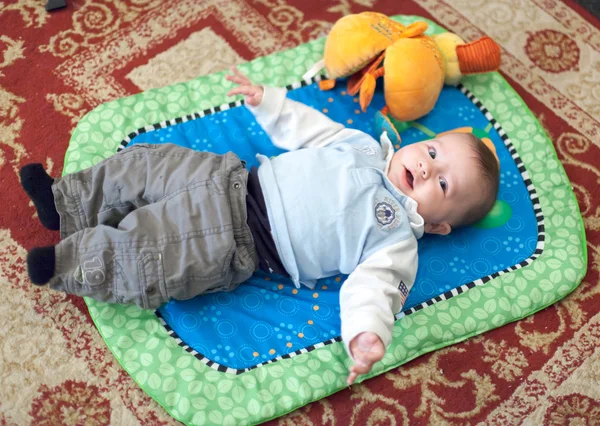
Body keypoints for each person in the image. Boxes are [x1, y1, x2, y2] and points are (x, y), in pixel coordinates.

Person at [20, 67, 499, 385]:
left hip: (234, 238)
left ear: (437, 226)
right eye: (433, 154)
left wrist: (367, 333)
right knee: (147, 166)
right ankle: (66, 205)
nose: (427, 169)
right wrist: (268, 101)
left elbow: (375, 291)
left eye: (442, 185)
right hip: (229, 177)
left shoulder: (396, 241)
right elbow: (311, 128)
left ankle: (69, 264)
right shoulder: (363, 145)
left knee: (156, 248)